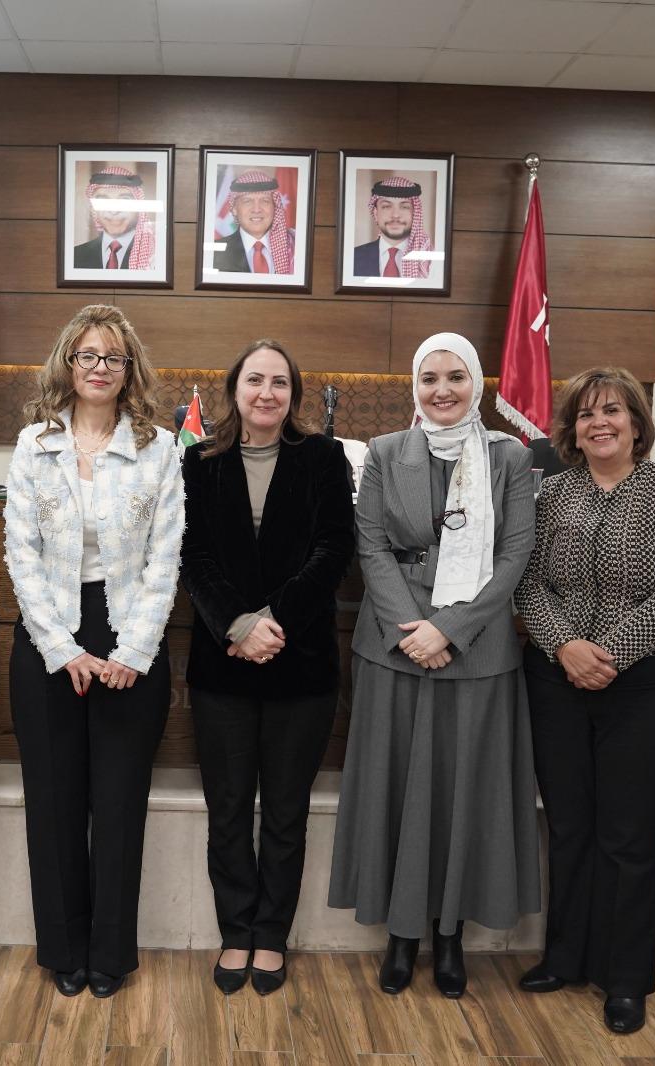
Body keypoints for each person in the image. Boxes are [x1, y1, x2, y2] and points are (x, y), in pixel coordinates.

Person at [329, 333, 540, 1001]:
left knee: (462, 794)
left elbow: (514, 555)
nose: (442, 390)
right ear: (415, 387)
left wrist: (449, 629)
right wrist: (413, 630)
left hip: (477, 649)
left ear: (476, 384)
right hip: (394, 645)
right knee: (395, 789)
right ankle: (400, 933)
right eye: (429, 378)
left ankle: (449, 934)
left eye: (455, 376)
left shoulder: (510, 457)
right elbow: (370, 546)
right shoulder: (386, 452)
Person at [514, 366, 655, 1035]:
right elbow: (528, 582)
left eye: (613, 410)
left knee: (628, 838)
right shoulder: (551, 495)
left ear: (636, 423)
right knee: (569, 829)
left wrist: (609, 654)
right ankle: (565, 957)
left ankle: (624, 978)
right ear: (571, 430)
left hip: (645, 689)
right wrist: (565, 646)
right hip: (556, 682)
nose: (600, 423)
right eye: (587, 414)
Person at [4, 304, 184, 999]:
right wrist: (62, 649)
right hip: (49, 638)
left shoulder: (158, 449)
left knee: (117, 807)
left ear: (129, 368)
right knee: (53, 807)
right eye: (87, 356)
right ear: (68, 364)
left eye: (113, 357)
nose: (99, 368)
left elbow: (165, 559)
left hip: (130, 638)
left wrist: (132, 650)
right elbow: (20, 557)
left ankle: (109, 953)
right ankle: (64, 951)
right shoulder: (34, 445)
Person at [181, 339, 355, 996]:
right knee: (228, 809)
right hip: (222, 663)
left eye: (279, 382)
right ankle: (236, 931)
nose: (266, 393)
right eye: (255, 380)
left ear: (293, 394)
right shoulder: (200, 462)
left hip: (300, 664)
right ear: (235, 389)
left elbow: (334, 549)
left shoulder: (323, 458)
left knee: (285, 812)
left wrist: (272, 621)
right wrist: (238, 624)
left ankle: (271, 934)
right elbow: (192, 554)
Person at [211, 169, 296, 276]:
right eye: (247, 201)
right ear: (234, 209)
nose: (257, 209)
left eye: (265, 201)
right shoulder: (215, 252)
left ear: (275, 206)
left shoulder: (294, 248)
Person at [72, 166, 156, 271]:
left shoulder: (154, 256)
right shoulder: (75, 255)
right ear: (93, 208)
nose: (114, 211)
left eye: (124, 200)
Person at [352, 177, 433, 279]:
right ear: (376, 214)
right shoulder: (352, 258)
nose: (395, 215)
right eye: (386, 206)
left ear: (415, 213)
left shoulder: (429, 261)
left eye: (404, 207)